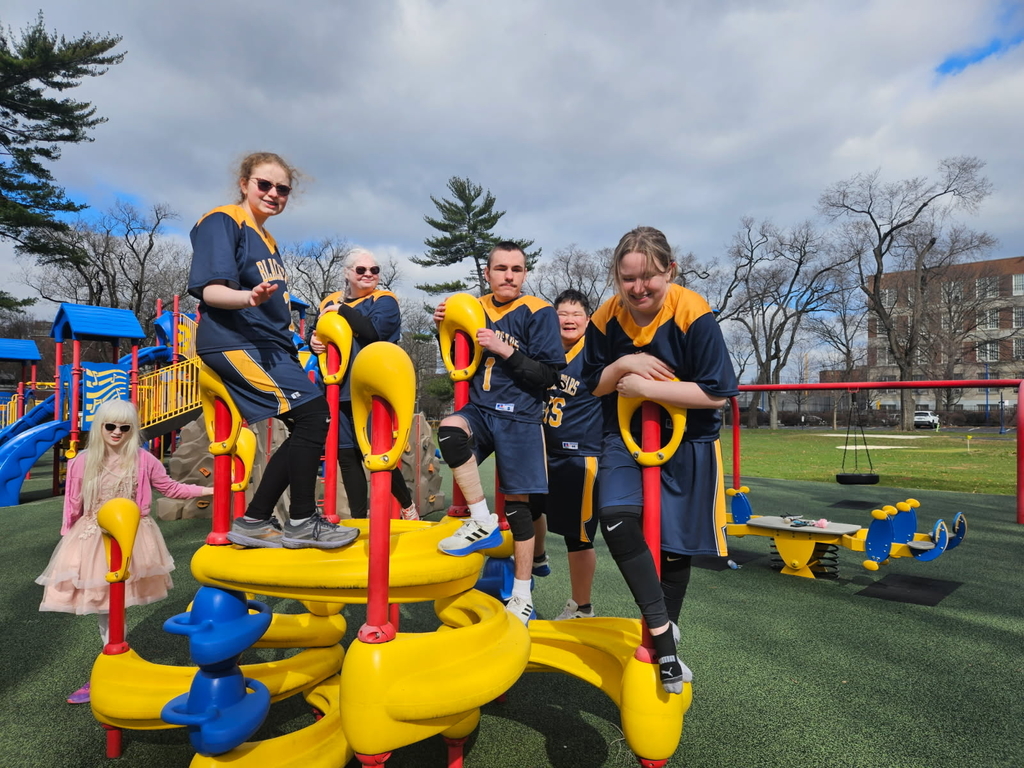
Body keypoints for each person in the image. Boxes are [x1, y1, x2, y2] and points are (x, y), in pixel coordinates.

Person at [581, 226, 738, 694]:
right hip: (625, 437)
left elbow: (716, 393)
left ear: (669, 269)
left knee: (673, 546)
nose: (638, 288)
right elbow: (593, 382)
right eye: (627, 278)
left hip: (688, 441)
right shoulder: (607, 316)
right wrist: (625, 365)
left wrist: (650, 389)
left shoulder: (692, 311)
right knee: (615, 518)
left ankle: (664, 635)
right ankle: (664, 636)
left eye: (649, 276)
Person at [187, 151, 358, 550]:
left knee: (311, 421)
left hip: (271, 345)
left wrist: (304, 341)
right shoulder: (223, 220)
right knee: (315, 416)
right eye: (264, 184)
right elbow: (211, 290)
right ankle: (300, 520)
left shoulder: (268, 239)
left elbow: (274, 311)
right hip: (235, 341)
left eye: (282, 189)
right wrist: (248, 297)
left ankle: (255, 519)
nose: (273, 193)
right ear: (244, 183)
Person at [36, 399, 213, 704]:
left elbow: (170, 488)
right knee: (104, 602)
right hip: (95, 536)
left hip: (134, 537)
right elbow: (73, 506)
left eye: (125, 427)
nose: (117, 432)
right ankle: (112, 659)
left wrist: (210, 489)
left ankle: (115, 660)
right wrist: (69, 542)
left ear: (133, 430)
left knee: (120, 601)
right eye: (110, 426)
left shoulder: (143, 460)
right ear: (100, 427)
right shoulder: (83, 461)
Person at [433, 242, 565, 624]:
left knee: (520, 508)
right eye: (502, 268)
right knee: (449, 432)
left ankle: (521, 595)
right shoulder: (473, 307)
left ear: (525, 274)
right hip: (481, 409)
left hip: (521, 415)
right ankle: (481, 519)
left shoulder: (538, 312)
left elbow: (550, 375)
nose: (509, 275)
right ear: (487, 273)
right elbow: (452, 354)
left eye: (517, 269)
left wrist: (506, 351)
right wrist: (442, 322)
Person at [309, 247, 418, 520]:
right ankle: (360, 519)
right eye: (361, 270)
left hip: (372, 390)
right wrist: (313, 343)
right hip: (337, 389)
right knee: (346, 457)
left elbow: (374, 332)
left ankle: (406, 505)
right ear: (347, 273)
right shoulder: (328, 303)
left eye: (374, 270)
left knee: (379, 453)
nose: (369, 274)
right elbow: (320, 336)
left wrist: (342, 310)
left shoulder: (384, 301)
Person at [529, 289, 603, 620]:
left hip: (579, 454)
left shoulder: (598, 353)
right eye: (562, 314)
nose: (569, 320)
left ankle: (581, 606)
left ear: (588, 319)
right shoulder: (544, 350)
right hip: (542, 451)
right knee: (526, 508)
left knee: (578, 536)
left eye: (576, 314)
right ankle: (538, 557)